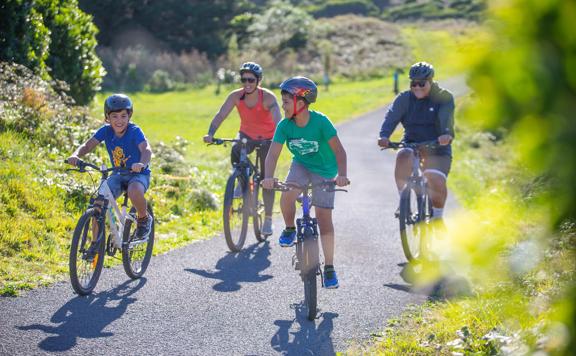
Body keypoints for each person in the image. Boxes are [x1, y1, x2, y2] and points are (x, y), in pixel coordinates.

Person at [261, 76, 349, 289]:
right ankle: (290, 228)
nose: (283, 106)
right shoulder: (284, 125)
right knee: (288, 194)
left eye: (286, 102)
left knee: (324, 217)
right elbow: (272, 154)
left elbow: (339, 151)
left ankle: (329, 268)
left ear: (301, 103)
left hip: (325, 169)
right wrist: (268, 177)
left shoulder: (321, 122)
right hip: (301, 165)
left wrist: (342, 175)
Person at [203, 62, 282, 236]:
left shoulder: (268, 98)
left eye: (251, 80)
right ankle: (241, 179)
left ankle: (268, 219)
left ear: (258, 81)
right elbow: (221, 115)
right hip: (246, 135)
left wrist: (278, 139)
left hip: (268, 138)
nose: (247, 83)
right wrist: (210, 133)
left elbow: (279, 121)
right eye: (244, 79)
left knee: (266, 179)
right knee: (236, 147)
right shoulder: (235, 96)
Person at [67, 94, 153, 239]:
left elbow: (146, 150)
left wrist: (141, 164)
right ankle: (95, 247)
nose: (119, 121)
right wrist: (76, 155)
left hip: (138, 174)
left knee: (134, 190)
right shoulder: (105, 131)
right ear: (108, 117)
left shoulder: (134, 131)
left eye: (123, 116)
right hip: (118, 174)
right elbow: (87, 145)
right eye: (115, 116)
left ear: (129, 116)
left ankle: (144, 218)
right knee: (98, 204)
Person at [378, 62, 455, 223]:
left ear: (431, 81)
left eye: (422, 83)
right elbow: (391, 117)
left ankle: (438, 218)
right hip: (412, 142)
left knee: (434, 178)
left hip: (437, 146)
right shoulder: (404, 99)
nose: (417, 87)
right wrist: (384, 136)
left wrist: (446, 135)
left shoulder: (444, 97)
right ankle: (403, 202)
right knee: (403, 155)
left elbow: (447, 119)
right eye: (414, 83)